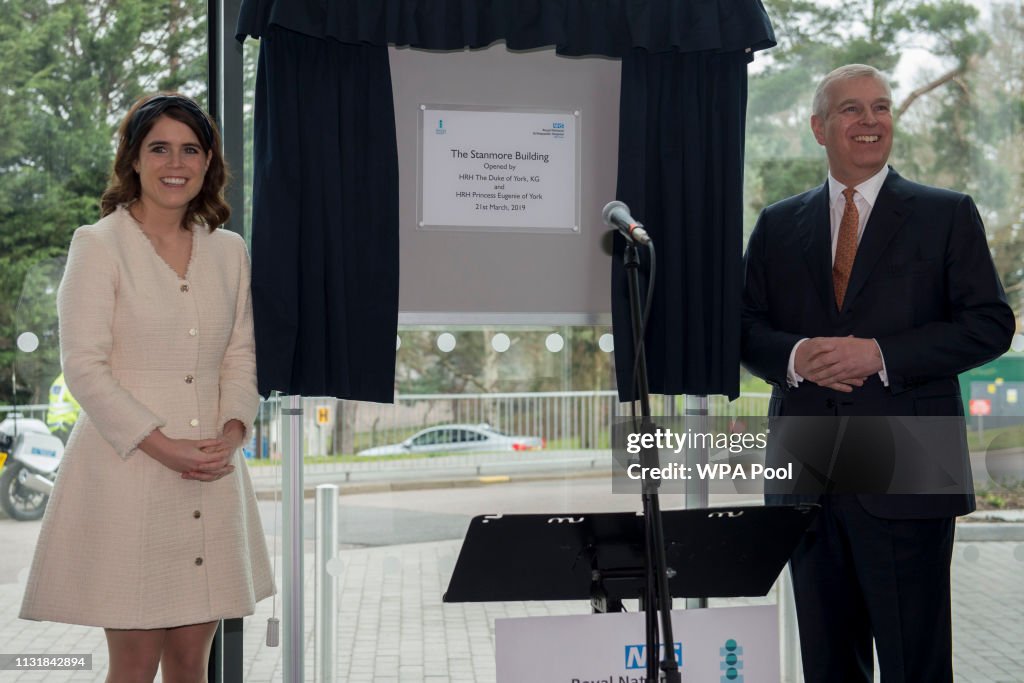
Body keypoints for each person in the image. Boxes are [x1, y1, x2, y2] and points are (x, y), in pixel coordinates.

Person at [741, 64, 1015, 682]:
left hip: (908, 466)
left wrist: (881, 355)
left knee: (914, 661)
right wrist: (793, 355)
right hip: (807, 472)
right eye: (851, 110)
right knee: (828, 662)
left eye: (881, 108)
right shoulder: (778, 224)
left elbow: (989, 323)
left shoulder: (945, 214)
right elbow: (745, 327)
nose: (870, 121)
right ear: (818, 128)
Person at [20, 93, 274, 682]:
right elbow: (83, 366)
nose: (174, 163)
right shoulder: (99, 244)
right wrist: (164, 447)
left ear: (208, 162)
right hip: (129, 472)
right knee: (134, 667)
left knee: (192, 663)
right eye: (158, 147)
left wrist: (232, 433)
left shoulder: (229, 252)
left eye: (190, 149)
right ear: (133, 158)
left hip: (210, 474)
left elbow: (241, 354)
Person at [45, 372, 80, 443]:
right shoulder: (69, 383)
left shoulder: (58, 382)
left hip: (53, 426)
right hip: (63, 426)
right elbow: (80, 404)